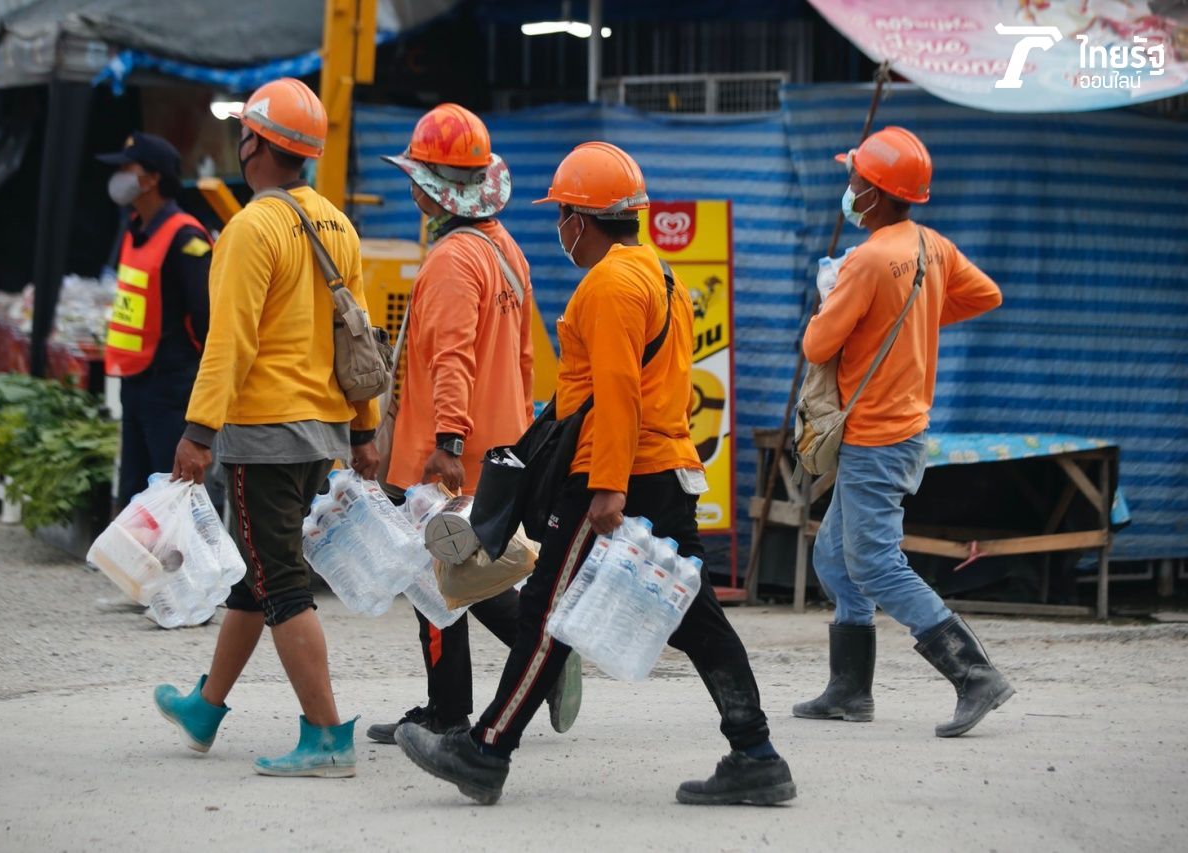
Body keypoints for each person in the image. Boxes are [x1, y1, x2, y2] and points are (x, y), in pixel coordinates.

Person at [394, 141, 796, 807]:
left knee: (547, 613)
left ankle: (485, 751)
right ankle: (755, 751)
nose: (561, 229)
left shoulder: (609, 285)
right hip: (666, 469)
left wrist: (608, 486)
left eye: (562, 216)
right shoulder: (660, 275)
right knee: (693, 614)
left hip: (615, 476)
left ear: (580, 220)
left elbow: (617, 395)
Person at [150, 78, 380, 777]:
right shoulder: (337, 224)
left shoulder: (251, 228)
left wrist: (198, 431)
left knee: (279, 582)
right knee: (257, 574)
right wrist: (364, 430)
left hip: (266, 434)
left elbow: (230, 341)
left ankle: (327, 736)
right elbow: (358, 337)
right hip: (321, 432)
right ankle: (205, 706)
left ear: (253, 143)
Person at [366, 104, 582, 746]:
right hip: (495, 445)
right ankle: (537, 655)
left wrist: (448, 443)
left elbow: (452, 358)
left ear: (434, 188)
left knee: (436, 576)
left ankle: (459, 704)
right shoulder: (504, 249)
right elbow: (523, 359)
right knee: (462, 571)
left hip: (446, 451)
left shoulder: (452, 260)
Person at [793, 126, 1012, 738]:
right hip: (901, 430)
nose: (848, 186)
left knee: (873, 562)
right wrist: (915, 315)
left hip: (876, 436)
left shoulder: (864, 261)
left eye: (854, 178)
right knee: (834, 557)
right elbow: (986, 295)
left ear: (873, 192)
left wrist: (833, 297)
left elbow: (817, 344)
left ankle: (974, 675)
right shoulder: (931, 245)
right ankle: (849, 691)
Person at [96, 133, 212, 508]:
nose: (118, 176)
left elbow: (207, 319)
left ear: (151, 179)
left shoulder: (185, 237)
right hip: (135, 382)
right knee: (134, 493)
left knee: (171, 498)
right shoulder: (135, 228)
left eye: (126, 168)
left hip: (171, 386)